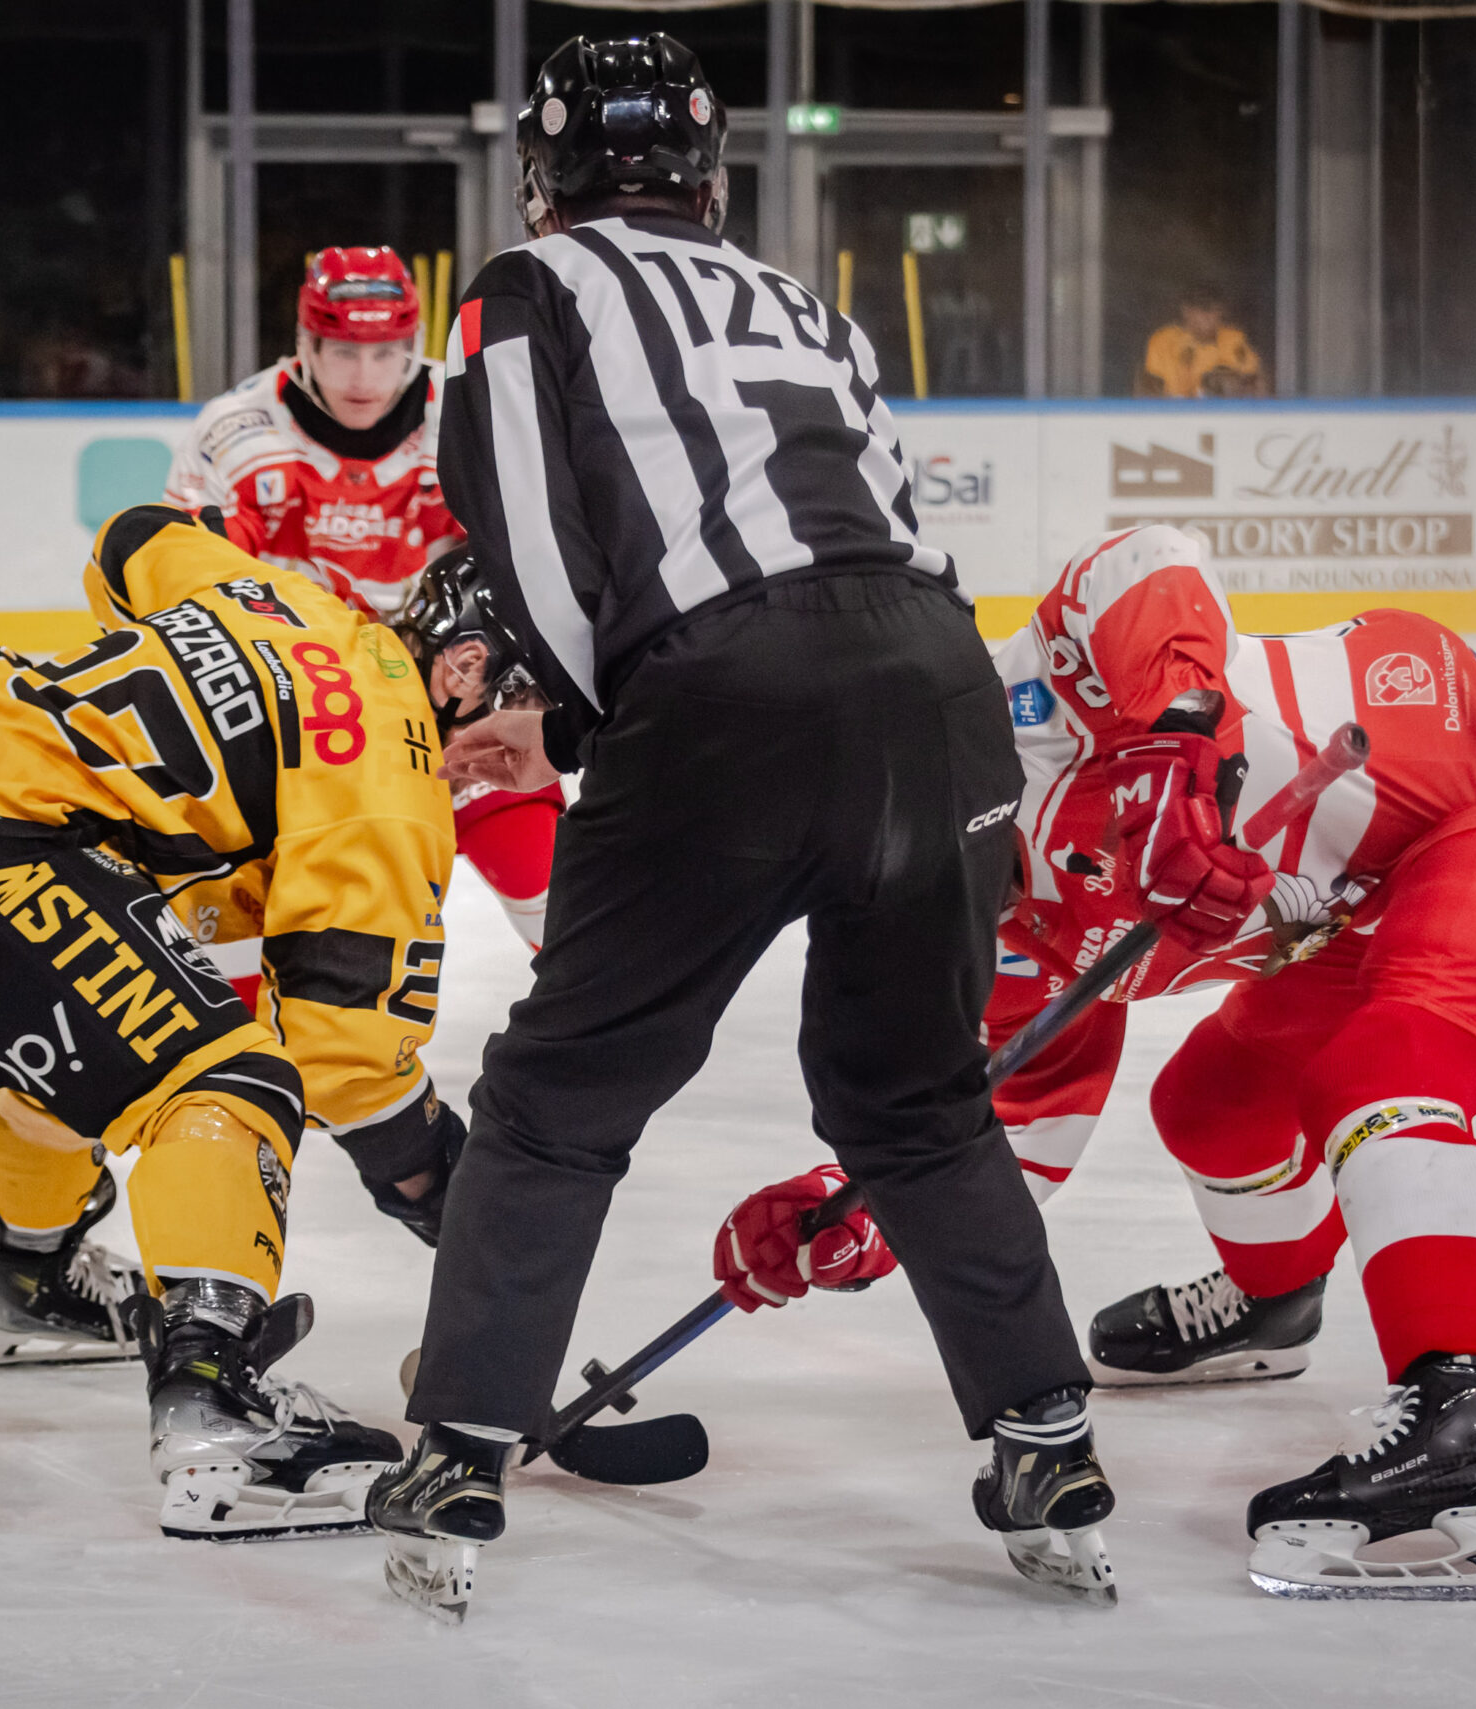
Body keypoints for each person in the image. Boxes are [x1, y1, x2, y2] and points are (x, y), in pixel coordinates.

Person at [363, 35, 1115, 1621]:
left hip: (727, 694)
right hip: (935, 684)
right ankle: (1043, 1434)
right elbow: (891, 525)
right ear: (712, 173)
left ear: (543, 175)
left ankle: (460, 1454)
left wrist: (571, 721)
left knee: (562, 1096)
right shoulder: (812, 305)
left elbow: (521, 534)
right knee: (914, 1095)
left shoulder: (527, 284)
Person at [721, 523, 1476, 1598]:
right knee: (1209, 1100)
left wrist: (1174, 749)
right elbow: (1014, 1131)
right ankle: (1274, 1302)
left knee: (1387, 1066)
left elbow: (1150, 559)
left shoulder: (1029, 695)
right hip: (1354, 899)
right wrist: (861, 1212)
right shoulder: (986, 928)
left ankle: (1459, 1415)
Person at [0, 502, 481, 1540]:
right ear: (466, 671)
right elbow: (339, 1055)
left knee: (84, 1051)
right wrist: (445, 1183)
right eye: (540, 724)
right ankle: (217, 1417)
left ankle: (29, 1277)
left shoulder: (294, 600)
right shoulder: (395, 771)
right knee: (229, 1080)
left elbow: (133, 537)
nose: (522, 768)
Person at [167, 246, 561, 951]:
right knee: (247, 945)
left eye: (386, 352)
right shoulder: (235, 433)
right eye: (344, 350)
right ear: (304, 343)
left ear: (412, 344)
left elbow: (547, 559)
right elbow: (177, 596)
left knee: (560, 910)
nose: (364, 377)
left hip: (455, 711)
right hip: (300, 727)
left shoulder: (469, 413)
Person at [1138, 288, 1265, 398]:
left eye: (1215, 310)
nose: (1209, 316)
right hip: (1174, 414)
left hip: (1222, 415)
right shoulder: (1164, 340)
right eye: (1203, 309)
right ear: (1186, 311)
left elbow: (1258, 383)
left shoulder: (1233, 340)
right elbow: (1147, 386)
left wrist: (1233, 385)